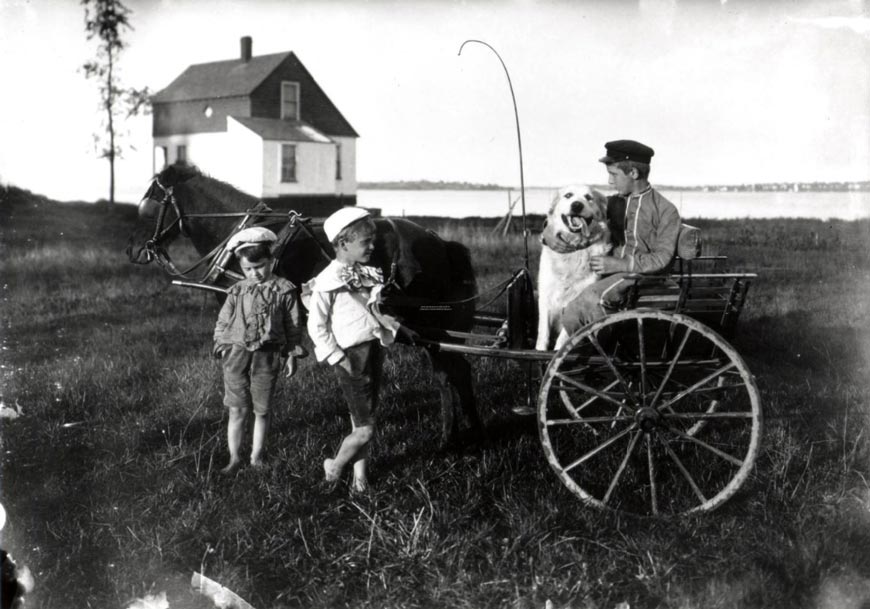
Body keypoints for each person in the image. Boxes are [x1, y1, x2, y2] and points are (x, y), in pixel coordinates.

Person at [305, 207, 400, 494]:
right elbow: (316, 327)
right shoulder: (328, 282)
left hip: (371, 351)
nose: (373, 246)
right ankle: (334, 467)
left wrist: (392, 328)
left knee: (362, 420)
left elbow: (371, 311)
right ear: (343, 243)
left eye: (372, 240)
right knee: (365, 429)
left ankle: (360, 480)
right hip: (351, 358)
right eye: (366, 242)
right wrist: (338, 357)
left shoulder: (364, 274)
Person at [560, 140, 681, 334]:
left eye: (614, 174)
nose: (610, 181)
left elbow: (662, 259)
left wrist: (621, 265)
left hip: (643, 279)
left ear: (633, 173)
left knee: (587, 299)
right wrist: (550, 235)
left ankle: (594, 350)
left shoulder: (666, 211)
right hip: (613, 275)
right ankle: (581, 341)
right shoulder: (611, 204)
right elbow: (575, 214)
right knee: (562, 294)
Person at [213, 226, 306, 474]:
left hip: (268, 354)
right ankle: (234, 457)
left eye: (260, 266)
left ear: (271, 261)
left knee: (262, 409)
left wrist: (290, 353)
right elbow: (223, 320)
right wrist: (221, 342)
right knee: (237, 408)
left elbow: (293, 323)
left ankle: (256, 456)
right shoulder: (236, 290)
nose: (255, 273)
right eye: (248, 269)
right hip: (236, 353)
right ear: (241, 267)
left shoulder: (284, 290)